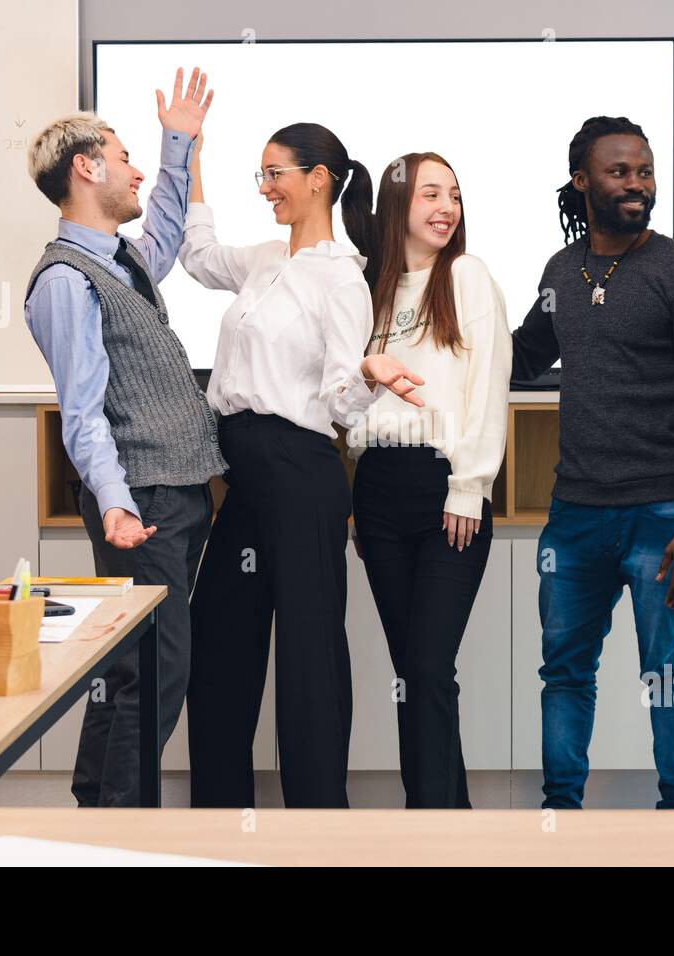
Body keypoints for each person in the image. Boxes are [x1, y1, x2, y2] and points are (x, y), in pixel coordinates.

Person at [180, 123, 422, 809]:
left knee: (309, 657)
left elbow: (343, 399)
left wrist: (371, 372)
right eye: (260, 175)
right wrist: (190, 160)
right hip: (245, 472)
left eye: (276, 173)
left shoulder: (342, 278)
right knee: (220, 644)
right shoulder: (263, 258)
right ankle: (222, 821)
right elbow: (197, 257)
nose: (266, 189)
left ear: (319, 179)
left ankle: (318, 827)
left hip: (300, 469)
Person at [23, 68, 221, 807]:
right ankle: (121, 826)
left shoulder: (121, 257)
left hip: (174, 494)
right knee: (160, 670)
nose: (137, 170)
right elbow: (82, 412)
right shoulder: (65, 281)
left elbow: (164, 228)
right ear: (87, 167)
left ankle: (94, 807)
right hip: (143, 502)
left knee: (134, 667)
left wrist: (180, 145)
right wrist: (116, 503)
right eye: (127, 155)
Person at [512, 116, 674, 810]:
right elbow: (523, 354)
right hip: (574, 515)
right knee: (564, 672)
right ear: (583, 181)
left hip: (664, 514)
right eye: (619, 172)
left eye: (645, 172)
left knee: (669, 674)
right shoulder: (559, 272)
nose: (636, 185)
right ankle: (559, 814)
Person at [347, 152, 512, 808]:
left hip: (445, 488)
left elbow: (488, 385)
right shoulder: (370, 289)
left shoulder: (466, 276)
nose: (448, 207)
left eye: (455, 195)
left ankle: (432, 827)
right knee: (415, 677)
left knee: (426, 669)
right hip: (378, 488)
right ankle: (450, 823)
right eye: (431, 194)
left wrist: (469, 484)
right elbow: (350, 394)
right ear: (397, 207)